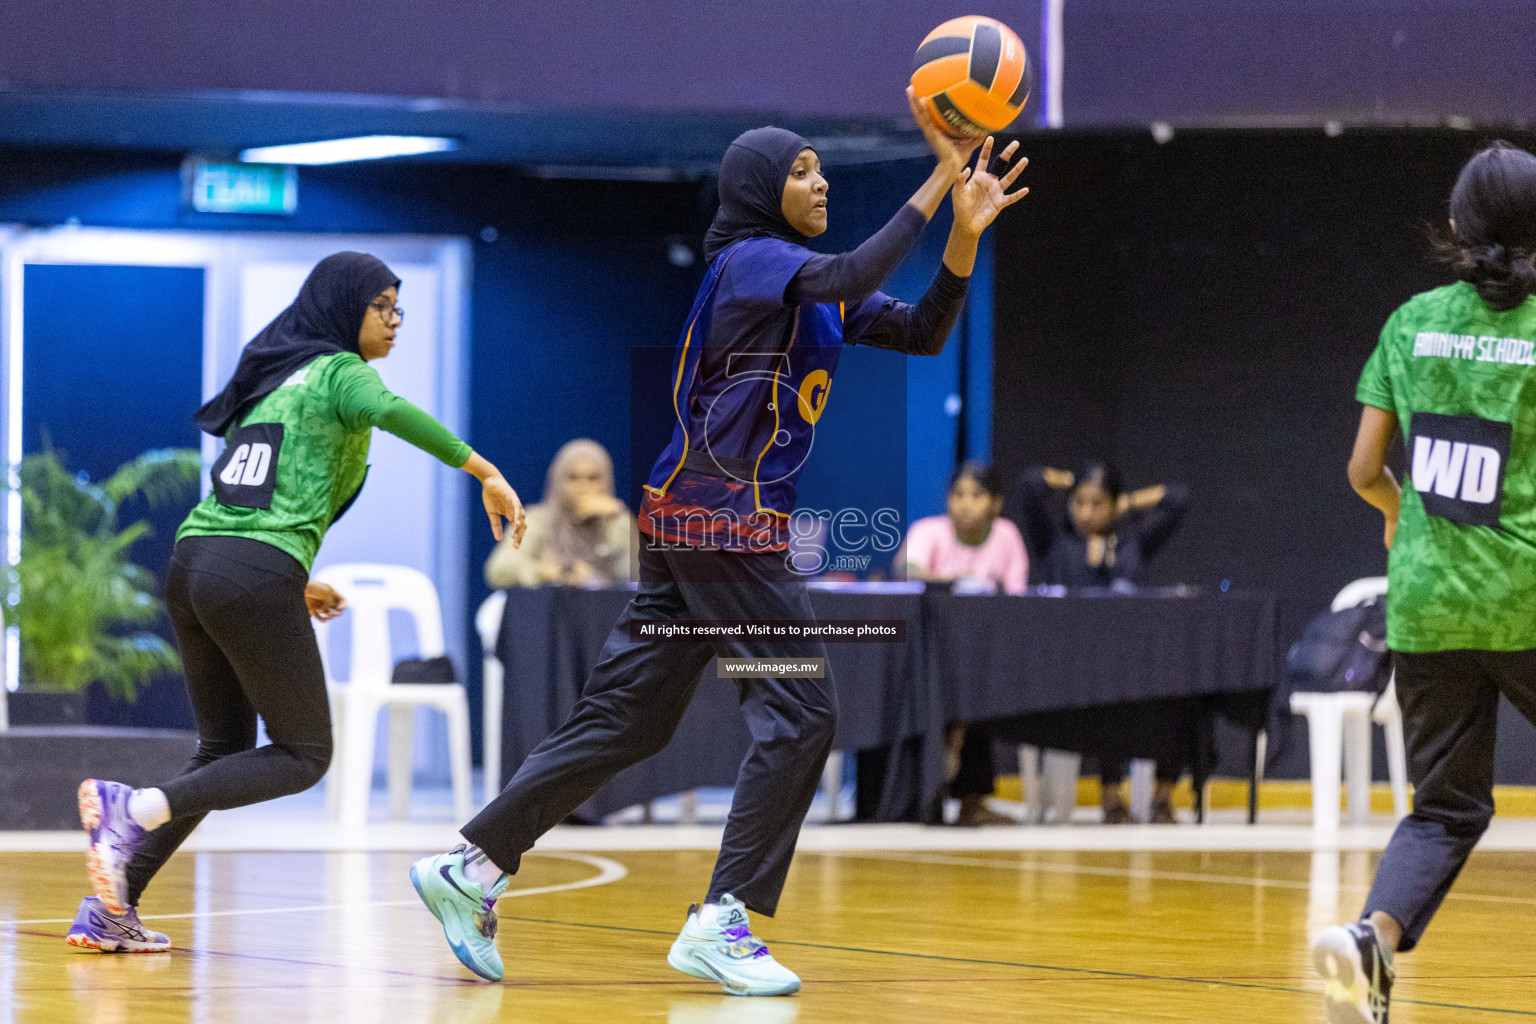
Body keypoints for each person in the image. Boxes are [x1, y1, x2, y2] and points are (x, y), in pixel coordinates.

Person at [412, 90, 1029, 992]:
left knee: (630, 714)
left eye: (822, 167)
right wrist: (940, 174)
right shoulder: (750, 262)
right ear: (757, 190)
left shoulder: (806, 290)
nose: (821, 182)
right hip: (721, 518)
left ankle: (474, 863)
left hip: (688, 517)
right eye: (803, 169)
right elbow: (853, 272)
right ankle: (722, 918)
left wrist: (963, 232)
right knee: (802, 713)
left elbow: (926, 333)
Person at [70, 252, 525, 952]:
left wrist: (289, 576)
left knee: (222, 747)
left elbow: (254, 494)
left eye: (399, 306)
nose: (395, 320)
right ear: (347, 310)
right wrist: (484, 471)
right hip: (243, 570)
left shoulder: (279, 379)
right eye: (383, 305)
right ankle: (134, 807)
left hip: (196, 563)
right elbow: (391, 410)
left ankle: (109, 908)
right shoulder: (344, 371)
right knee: (304, 753)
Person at [1314, 141, 1536, 1024]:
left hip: (1427, 603)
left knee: (1443, 808)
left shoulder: (1410, 324)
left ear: (1455, 226)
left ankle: (1373, 940)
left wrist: (1399, 510)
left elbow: (1365, 468)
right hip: (1524, 596)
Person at [1008, 461, 1190, 823]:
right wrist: (1070, 480)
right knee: (1112, 693)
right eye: (1079, 502)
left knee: (1181, 689)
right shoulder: (1055, 540)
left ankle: (1163, 796)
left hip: (1127, 656)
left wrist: (1129, 502)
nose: (1087, 512)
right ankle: (1110, 794)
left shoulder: (1132, 540)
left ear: (1114, 504)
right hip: (1067, 659)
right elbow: (1029, 483)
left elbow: (1179, 498)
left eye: (1098, 503)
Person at [901, 461, 1027, 826]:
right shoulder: (928, 531)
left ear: (996, 503)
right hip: (927, 652)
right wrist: (948, 578)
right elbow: (909, 570)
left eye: (976, 495)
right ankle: (924, 795)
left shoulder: (1007, 535)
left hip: (985, 652)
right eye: (958, 495)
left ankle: (973, 800)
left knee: (978, 688)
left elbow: (1017, 594)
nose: (966, 504)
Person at [484, 438, 636, 589]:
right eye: (573, 478)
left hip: (607, 610)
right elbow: (499, 569)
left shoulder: (619, 521)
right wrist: (555, 572)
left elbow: (639, 578)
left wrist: (617, 523)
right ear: (557, 481)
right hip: (550, 609)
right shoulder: (536, 520)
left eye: (593, 478)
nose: (583, 487)